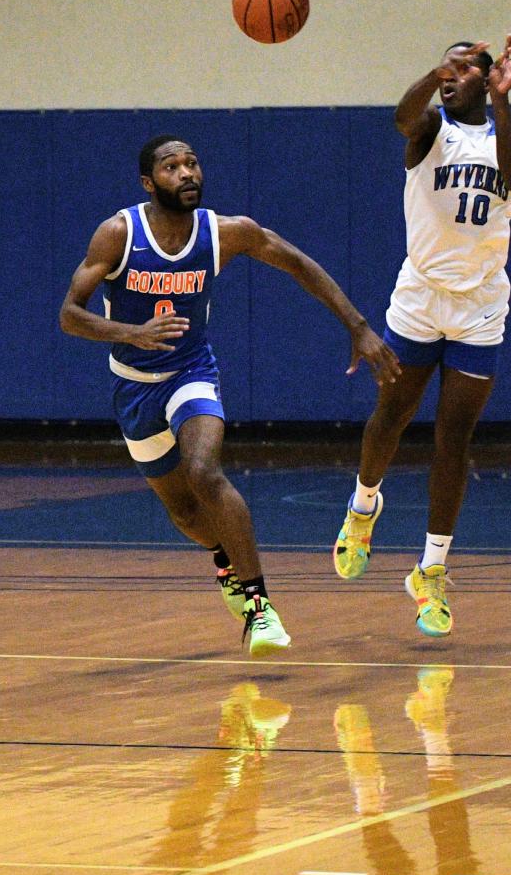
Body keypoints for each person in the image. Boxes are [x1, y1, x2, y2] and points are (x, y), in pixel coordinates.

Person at [60, 134, 400, 657]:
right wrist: (131, 333)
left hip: (192, 373)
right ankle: (225, 560)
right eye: (172, 167)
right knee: (185, 515)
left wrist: (357, 326)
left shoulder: (224, 232)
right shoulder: (118, 234)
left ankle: (260, 608)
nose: (187, 173)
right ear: (149, 183)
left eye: (192, 163)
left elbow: (298, 264)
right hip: (133, 383)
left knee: (203, 472)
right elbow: (70, 315)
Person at [333, 35, 511, 637]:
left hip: (479, 305)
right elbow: (403, 116)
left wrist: (501, 101)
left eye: (464, 66)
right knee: (392, 416)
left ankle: (430, 570)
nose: (452, 74)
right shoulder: (429, 129)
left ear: (487, 75)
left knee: (454, 439)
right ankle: (364, 505)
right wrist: (434, 71)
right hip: (419, 297)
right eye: (445, 65)